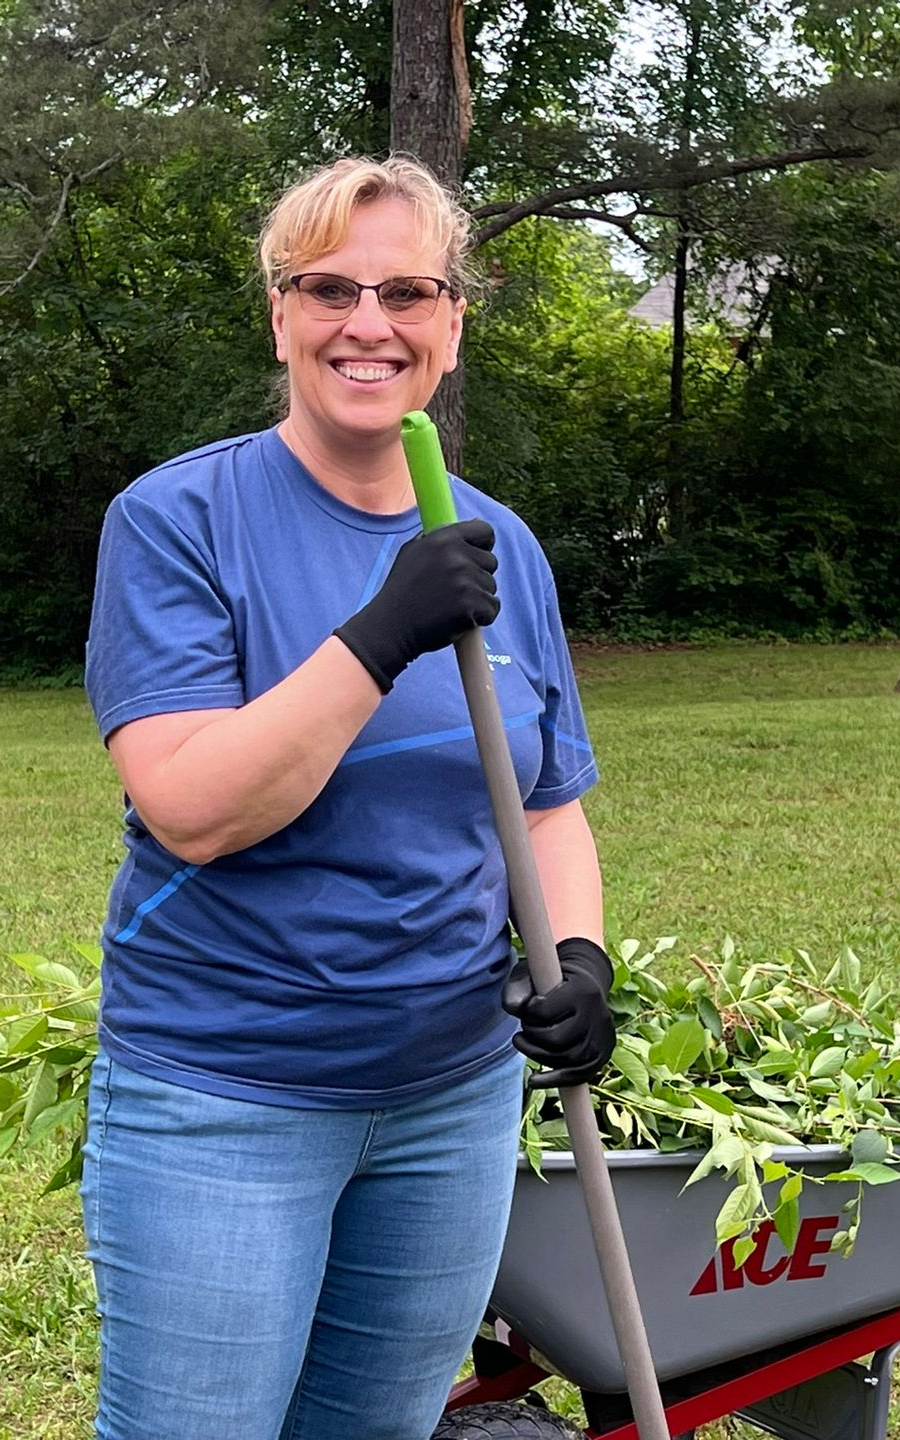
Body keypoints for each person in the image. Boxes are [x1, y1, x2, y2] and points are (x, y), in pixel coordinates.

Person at [81, 153, 615, 1440]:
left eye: (407, 293)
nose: (368, 323)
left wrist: (584, 955)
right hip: (225, 1093)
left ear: (450, 326)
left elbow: (543, 803)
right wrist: (381, 633)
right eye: (330, 289)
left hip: (450, 1099)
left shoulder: (499, 543)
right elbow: (195, 807)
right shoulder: (178, 519)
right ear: (281, 314)